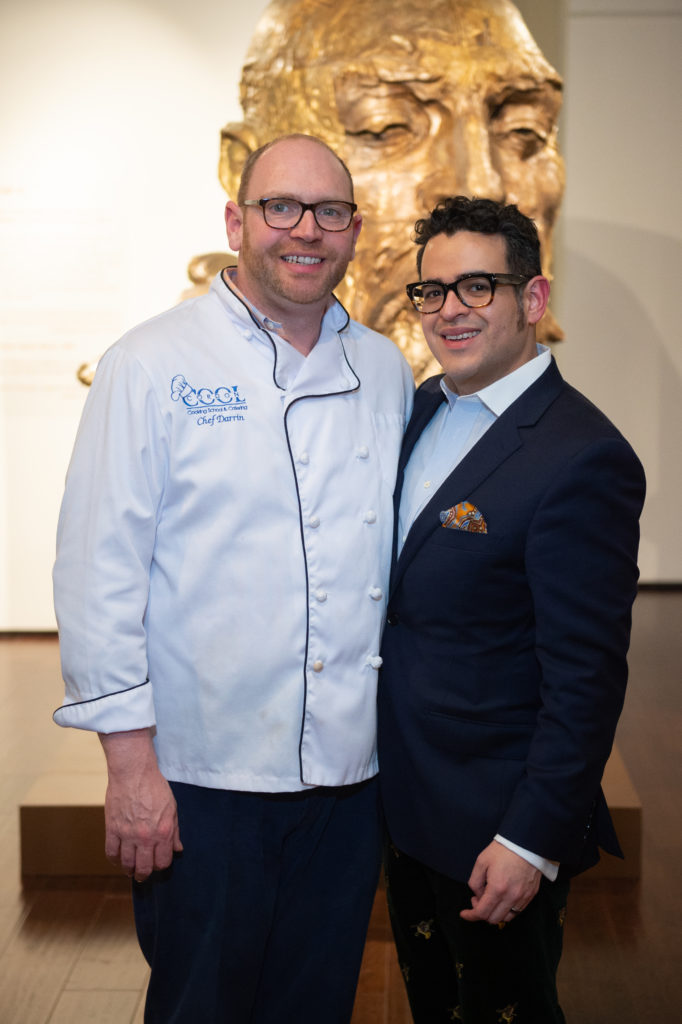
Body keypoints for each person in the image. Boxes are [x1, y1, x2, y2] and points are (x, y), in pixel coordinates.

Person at [53, 133, 414, 1024]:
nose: (306, 231)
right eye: (280, 207)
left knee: (317, 1002)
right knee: (200, 1004)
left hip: (346, 775)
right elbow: (98, 571)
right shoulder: (151, 364)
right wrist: (130, 767)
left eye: (329, 213)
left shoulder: (383, 369)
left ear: (354, 230)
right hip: (203, 777)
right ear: (236, 220)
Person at [377, 196, 645, 1022]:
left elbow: (587, 678)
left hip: (495, 821)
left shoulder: (582, 457)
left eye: (478, 287)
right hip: (403, 797)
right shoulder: (418, 408)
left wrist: (529, 839)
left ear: (534, 300)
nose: (449, 310)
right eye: (431, 291)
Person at [216, 0, 565, 379]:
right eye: (385, 125)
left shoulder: (386, 374)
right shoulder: (162, 365)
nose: (483, 183)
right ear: (240, 167)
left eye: (524, 129)